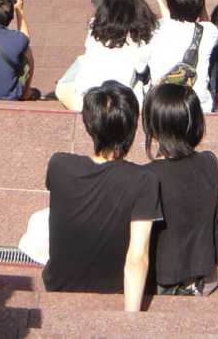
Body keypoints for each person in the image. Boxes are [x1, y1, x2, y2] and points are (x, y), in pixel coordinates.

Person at [42, 82, 161, 311]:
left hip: (58, 286)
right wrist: (131, 318)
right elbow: (138, 258)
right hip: (113, 289)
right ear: (132, 126)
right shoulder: (144, 180)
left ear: (89, 124)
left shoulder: (59, 164)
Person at [142, 82, 218, 294]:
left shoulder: (147, 176)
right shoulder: (210, 162)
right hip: (209, 273)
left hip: (165, 280)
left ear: (153, 128)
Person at [62, 0, 159, 111]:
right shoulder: (144, 34)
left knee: (79, 62)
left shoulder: (94, 25)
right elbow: (142, 68)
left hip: (86, 98)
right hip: (120, 100)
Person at [147, 0, 218, 114]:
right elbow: (206, 22)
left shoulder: (154, 30)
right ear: (200, 7)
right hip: (196, 105)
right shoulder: (209, 32)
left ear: (169, 3)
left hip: (160, 105)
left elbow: (168, 21)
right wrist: (202, 6)